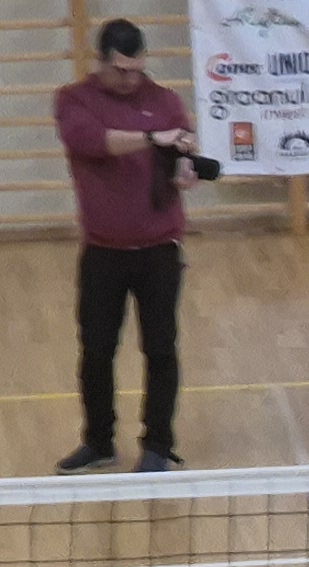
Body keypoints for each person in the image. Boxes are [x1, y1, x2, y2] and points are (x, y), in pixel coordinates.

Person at [52, 19, 192, 474]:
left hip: (159, 249)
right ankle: (98, 442)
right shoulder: (74, 101)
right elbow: (95, 142)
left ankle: (158, 445)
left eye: (137, 69)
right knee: (96, 350)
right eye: (121, 70)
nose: (131, 79)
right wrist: (152, 138)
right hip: (103, 251)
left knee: (161, 349)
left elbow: (182, 154)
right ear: (101, 62)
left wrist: (185, 167)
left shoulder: (165, 101)